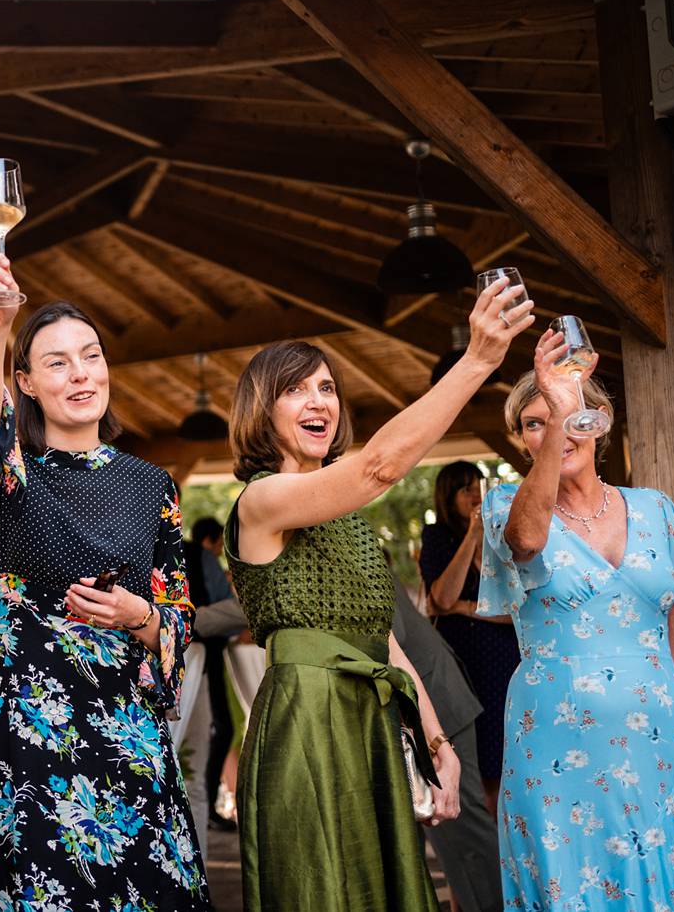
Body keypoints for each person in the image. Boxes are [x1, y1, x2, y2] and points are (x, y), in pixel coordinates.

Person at [224, 274, 532, 912]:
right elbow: (378, 467)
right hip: (306, 723)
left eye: (328, 388)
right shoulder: (261, 500)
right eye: (296, 389)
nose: (320, 401)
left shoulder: (347, 522)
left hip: (371, 723)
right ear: (262, 409)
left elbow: (385, 642)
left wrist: (437, 744)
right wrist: (477, 361)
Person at [0, 254, 209, 912]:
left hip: (126, 729)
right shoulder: (7, 476)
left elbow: (178, 618)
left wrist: (138, 614)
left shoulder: (152, 484)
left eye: (90, 355)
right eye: (58, 362)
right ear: (25, 382)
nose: (81, 372)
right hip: (23, 740)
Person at [480, 340, 674, 911]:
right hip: (556, 756)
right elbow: (527, 541)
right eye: (535, 423)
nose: (554, 432)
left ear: (599, 423)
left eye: (570, 417)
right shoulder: (504, 506)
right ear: (523, 440)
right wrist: (556, 401)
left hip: (662, 754)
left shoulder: (656, 509)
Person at [389, 572, 503, 912]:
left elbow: (389, 642)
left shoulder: (346, 549)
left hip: (434, 705)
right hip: (425, 704)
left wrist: (435, 741)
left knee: (464, 836)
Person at [419, 460, 517, 811]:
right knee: (475, 757)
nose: (476, 494)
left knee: (506, 756)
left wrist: (462, 607)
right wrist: (471, 536)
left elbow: (516, 610)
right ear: (449, 495)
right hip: (461, 661)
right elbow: (441, 598)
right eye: (465, 488)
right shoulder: (437, 537)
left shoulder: (502, 539)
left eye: (478, 485)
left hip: (503, 661)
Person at [185, 516, 239, 831]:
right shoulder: (200, 557)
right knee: (219, 727)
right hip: (203, 651)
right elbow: (225, 604)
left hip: (166, 651)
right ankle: (205, 807)